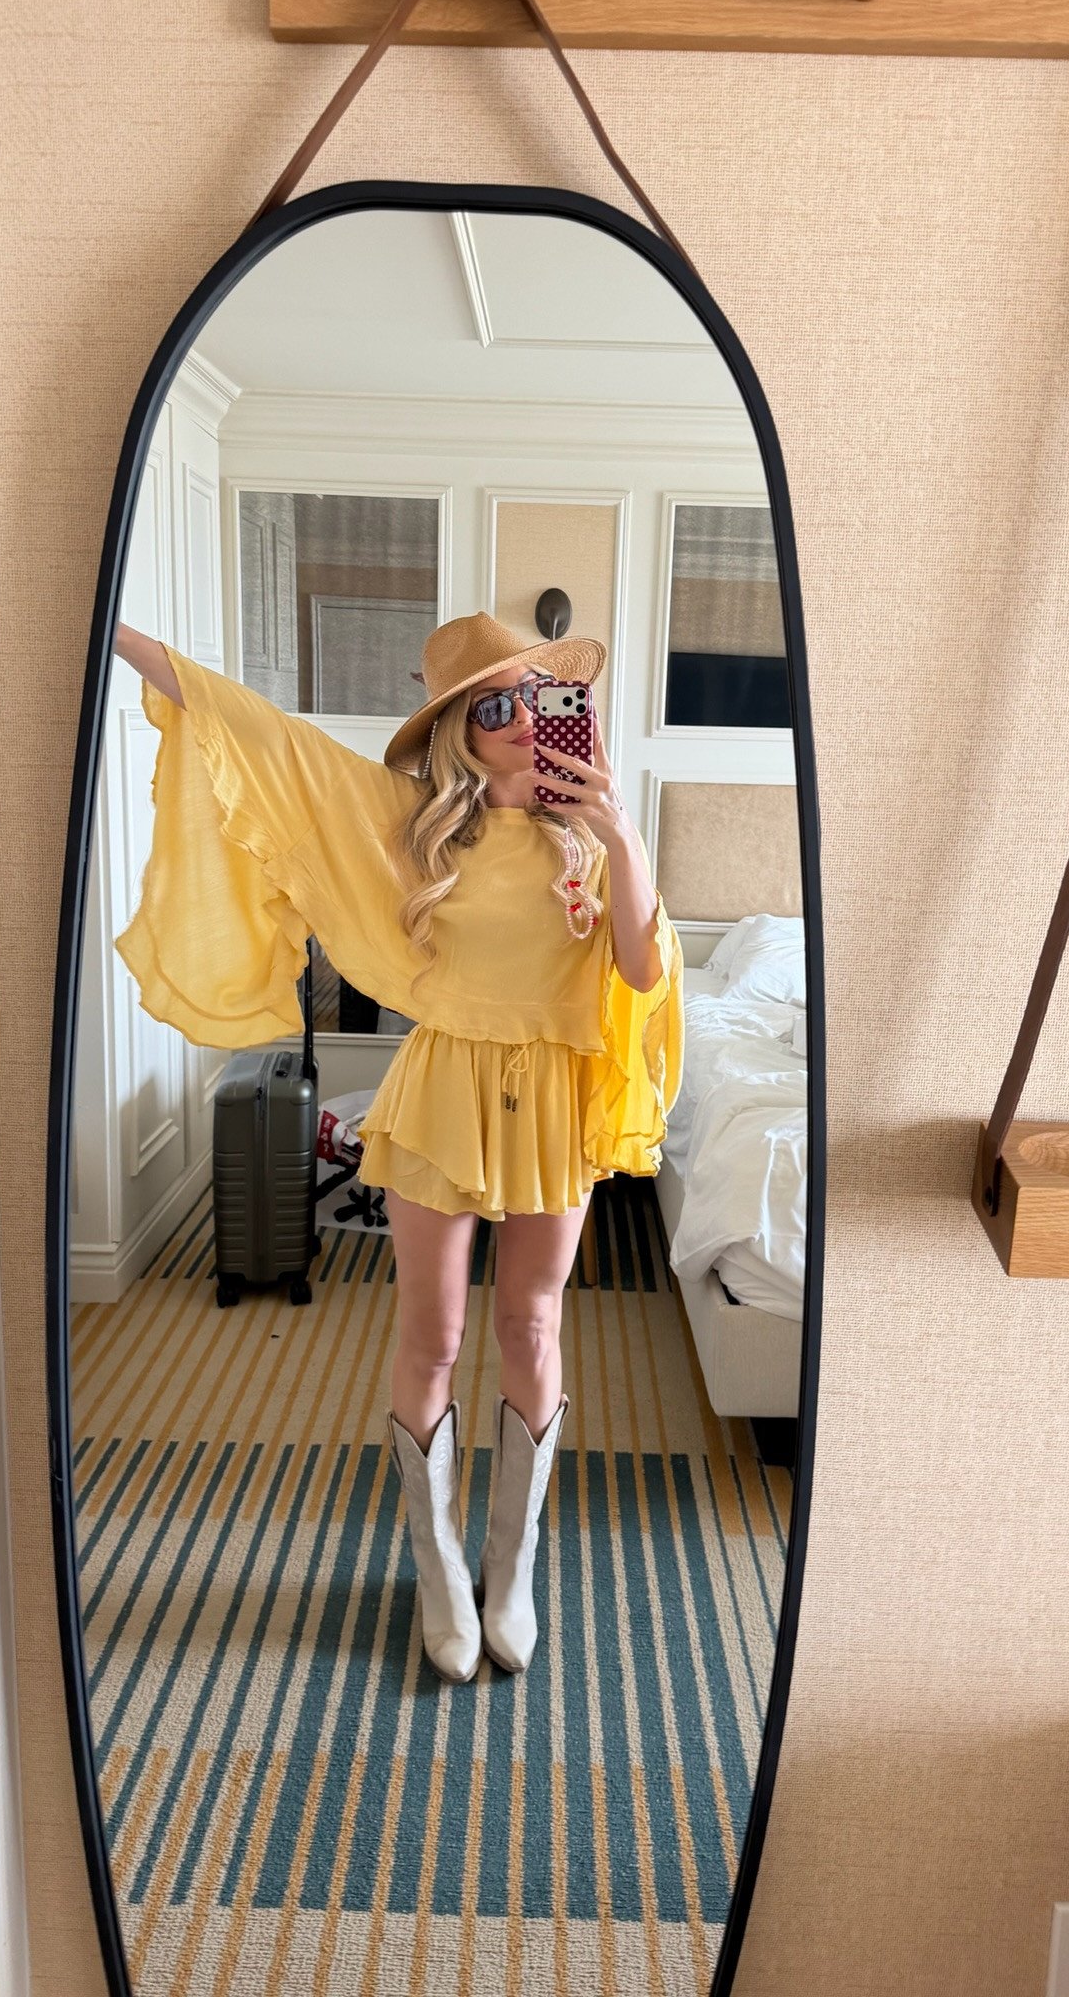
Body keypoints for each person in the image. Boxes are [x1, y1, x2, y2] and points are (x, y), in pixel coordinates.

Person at [114, 610, 682, 1684]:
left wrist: (621, 836)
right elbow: (267, 740)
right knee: (433, 1333)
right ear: (459, 729)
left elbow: (645, 976)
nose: (522, 720)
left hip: (553, 1098)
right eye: (494, 705)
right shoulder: (412, 824)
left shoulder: (591, 837)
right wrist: (119, 636)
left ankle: (510, 1568)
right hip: (443, 1091)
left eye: (539, 698)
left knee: (533, 1321)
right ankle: (439, 1569)